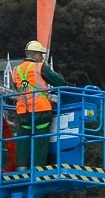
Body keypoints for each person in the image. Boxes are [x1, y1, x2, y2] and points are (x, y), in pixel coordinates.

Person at [8, 40, 68, 170]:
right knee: (40, 139)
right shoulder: (40, 67)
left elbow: (22, 87)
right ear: (34, 55)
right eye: (40, 55)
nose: (42, 58)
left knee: (23, 138)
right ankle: (37, 168)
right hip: (40, 109)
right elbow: (60, 82)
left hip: (23, 111)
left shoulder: (15, 70)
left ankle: (22, 168)